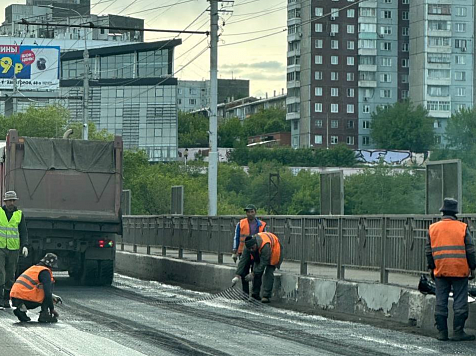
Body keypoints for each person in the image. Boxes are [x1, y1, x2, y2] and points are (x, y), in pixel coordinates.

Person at [425, 198, 476, 341]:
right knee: (460, 300)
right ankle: (458, 332)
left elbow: (428, 252)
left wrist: (432, 267)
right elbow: (471, 251)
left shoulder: (433, 228)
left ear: (443, 212)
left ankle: (442, 332)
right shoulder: (462, 227)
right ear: (455, 213)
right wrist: (473, 266)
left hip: (440, 269)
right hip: (460, 270)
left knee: (441, 300)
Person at [232, 232, 283, 303]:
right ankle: (255, 294)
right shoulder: (248, 247)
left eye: (252, 248)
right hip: (261, 252)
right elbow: (243, 260)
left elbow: (263, 263)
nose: (251, 250)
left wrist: (253, 274)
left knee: (269, 271)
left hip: (275, 250)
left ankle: (266, 296)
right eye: (250, 249)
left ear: (255, 244)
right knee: (256, 270)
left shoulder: (265, 246)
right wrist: (237, 275)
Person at [10, 253, 61, 323]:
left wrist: (53, 296)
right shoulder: (45, 272)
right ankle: (44, 314)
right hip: (25, 298)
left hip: (15, 298)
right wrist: (52, 309)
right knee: (47, 292)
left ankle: (21, 309)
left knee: (47, 292)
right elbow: (47, 293)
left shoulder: (34, 268)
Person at [0, 191, 28, 309]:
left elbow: (23, 232)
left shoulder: (19, 214)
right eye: (9, 201)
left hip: (13, 249)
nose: (11, 203)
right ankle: (0, 299)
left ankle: (6, 299)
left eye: (13, 201)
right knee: (1, 273)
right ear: (5, 201)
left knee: (10, 274)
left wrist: (25, 245)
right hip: (0, 247)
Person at [231, 204, 267, 296]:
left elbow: (265, 238)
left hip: (257, 253)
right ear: (246, 213)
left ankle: (255, 294)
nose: (250, 214)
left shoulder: (261, 225)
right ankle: (245, 294)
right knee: (244, 273)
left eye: (252, 212)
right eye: (248, 212)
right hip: (244, 252)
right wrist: (234, 251)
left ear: (255, 212)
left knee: (257, 273)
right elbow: (237, 237)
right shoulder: (241, 224)